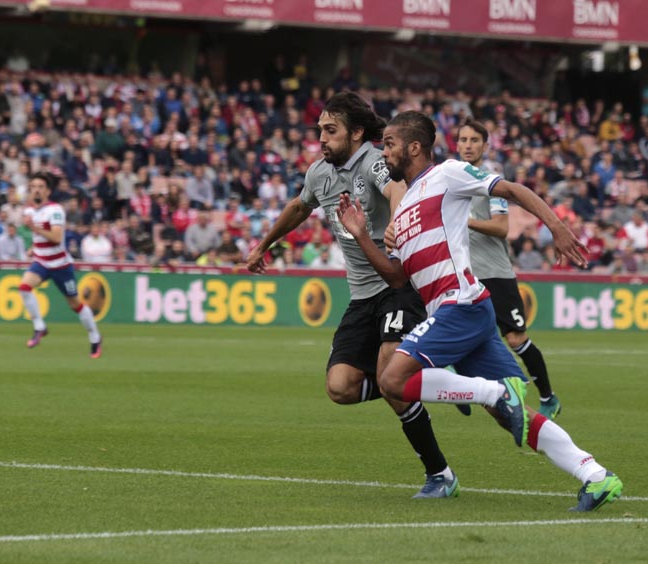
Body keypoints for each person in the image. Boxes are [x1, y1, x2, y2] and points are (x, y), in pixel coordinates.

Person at [337, 110, 622, 511]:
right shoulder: (401, 212)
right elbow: (397, 278)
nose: (383, 153)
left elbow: (513, 191)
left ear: (414, 147)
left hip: (462, 305)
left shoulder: (448, 174)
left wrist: (556, 227)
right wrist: (362, 236)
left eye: (389, 144)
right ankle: (596, 476)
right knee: (512, 417)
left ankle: (490, 392)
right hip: (460, 313)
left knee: (393, 381)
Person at [247, 91, 458, 499]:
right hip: (362, 296)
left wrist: (398, 220)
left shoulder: (373, 161)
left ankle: (440, 475)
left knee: (387, 371)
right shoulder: (319, 173)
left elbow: (396, 188)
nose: (322, 139)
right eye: (320, 131)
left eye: (331, 131)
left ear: (357, 133)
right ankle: (419, 377)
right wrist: (263, 245)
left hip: (398, 285)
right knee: (340, 387)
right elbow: (298, 207)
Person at [457, 118, 561, 419]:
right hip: (465, 272)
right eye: (463, 139)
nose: (467, 145)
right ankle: (458, 389)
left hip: (495, 272)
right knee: (454, 329)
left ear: (485, 146)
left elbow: (502, 228)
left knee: (515, 338)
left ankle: (548, 397)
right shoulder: (450, 178)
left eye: (474, 140)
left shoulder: (492, 181)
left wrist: (465, 222)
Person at [19, 172, 102, 359]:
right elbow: (40, 235)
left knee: (75, 304)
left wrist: (33, 228)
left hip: (60, 265)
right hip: (41, 262)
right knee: (24, 287)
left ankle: (95, 336)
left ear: (47, 191)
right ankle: (40, 327)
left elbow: (56, 238)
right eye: (33, 186)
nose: (36, 190)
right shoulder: (29, 210)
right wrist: (34, 247)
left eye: (40, 186)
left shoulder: (55, 210)